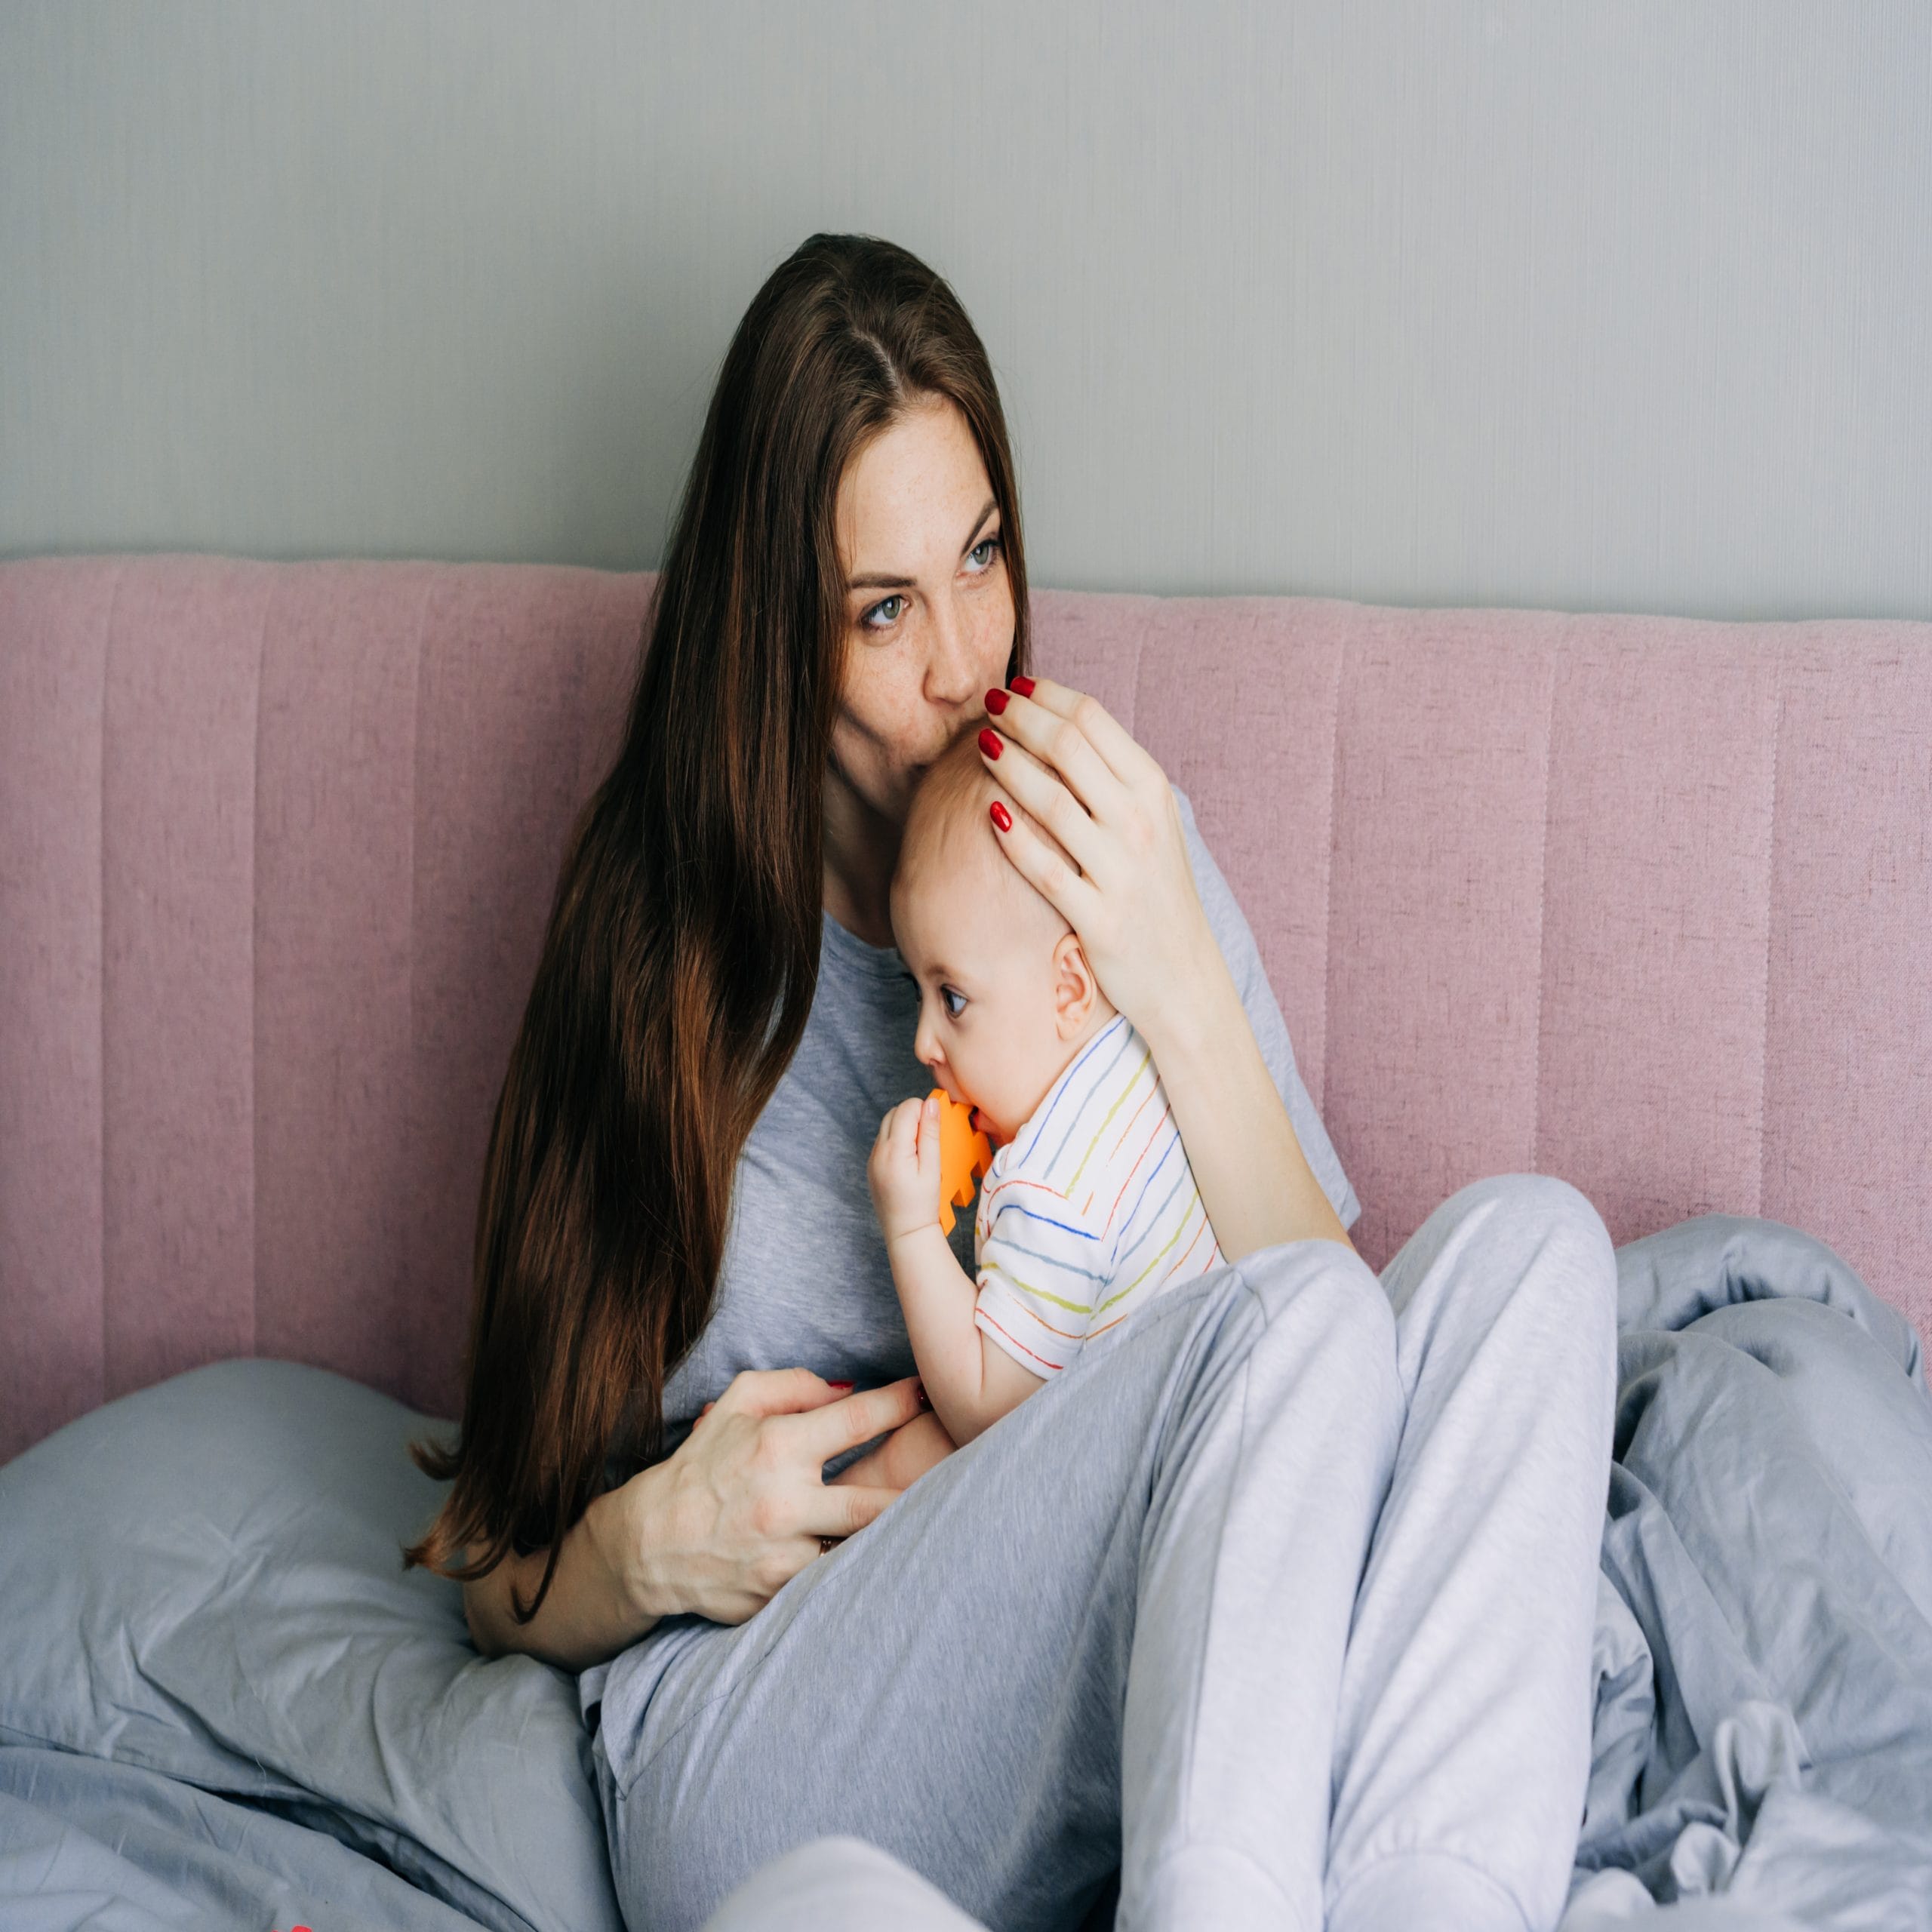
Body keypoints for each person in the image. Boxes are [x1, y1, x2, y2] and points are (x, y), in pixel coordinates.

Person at [402, 232, 1618, 1932]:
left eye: (980, 558)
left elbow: (1316, 1381)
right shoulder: (659, 950)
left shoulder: (1103, 842)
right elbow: (487, 1563)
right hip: (771, 1726)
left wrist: (1172, 972)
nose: (966, 659)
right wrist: (637, 1548)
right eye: (883, 608)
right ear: (769, 634)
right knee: (1287, 1337)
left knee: (1532, 1248)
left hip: (1137, 1637)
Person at [869, 720, 1226, 1442]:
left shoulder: (1046, 1189)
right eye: (919, 993)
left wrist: (909, 1229)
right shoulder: (1140, 1047)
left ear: (1068, 985)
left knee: (915, 1455)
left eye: (954, 998)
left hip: (1139, 1460)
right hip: (1207, 1394)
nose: (922, 1042)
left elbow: (983, 1416)